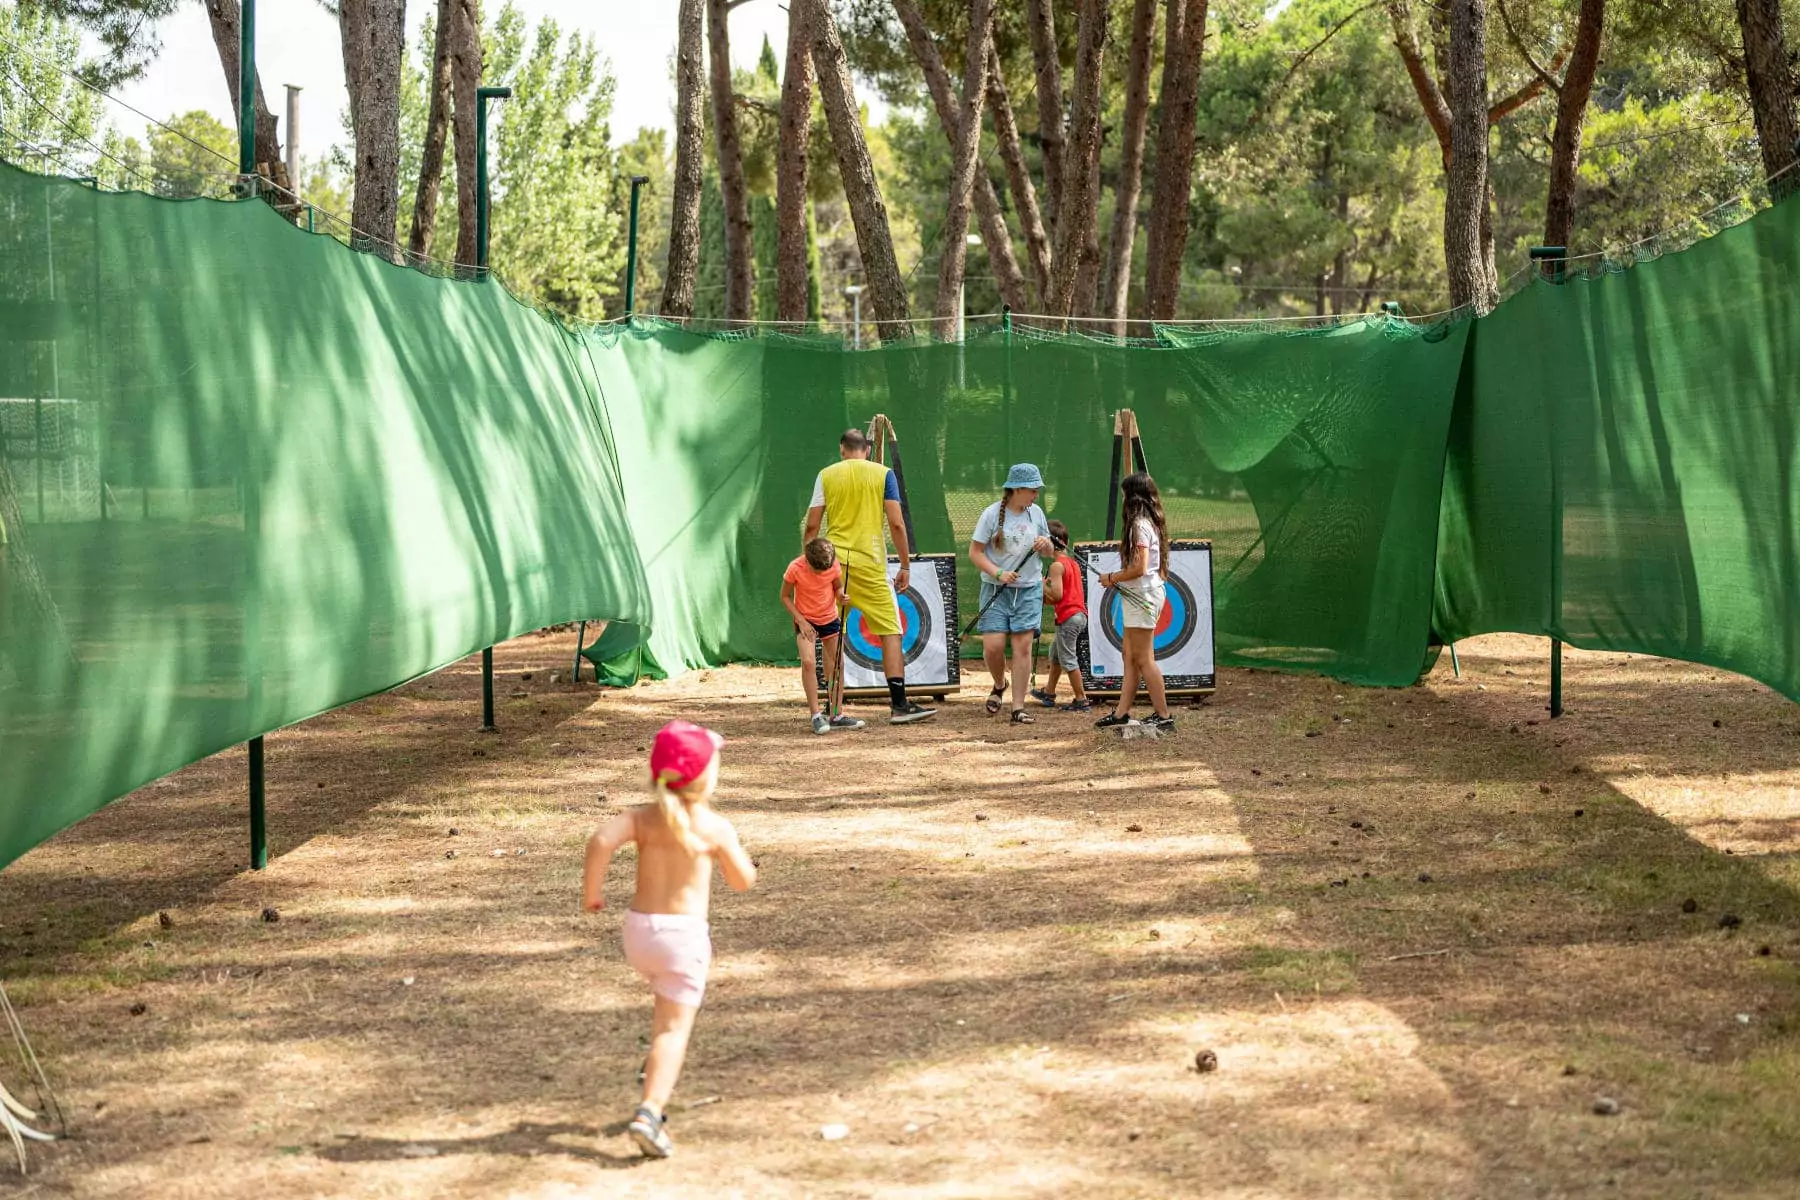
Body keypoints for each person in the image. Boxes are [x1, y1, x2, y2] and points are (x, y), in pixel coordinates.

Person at [582, 720, 757, 1159]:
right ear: (706, 776)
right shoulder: (713, 826)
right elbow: (742, 882)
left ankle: (655, 1069)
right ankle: (649, 1111)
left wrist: (593, 894)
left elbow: (601, 840)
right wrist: (730, 857)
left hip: (639, 935)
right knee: (672, 1031)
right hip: (683, 939)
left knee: (663, 1004)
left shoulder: (643, 818)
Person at [803, 428, 936, 724]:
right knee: (890, 630)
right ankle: (899, 704)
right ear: (865, 449)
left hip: (832, 565)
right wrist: (905, 565)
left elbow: (812, 526)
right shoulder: (884, 474)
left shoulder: (826, 475)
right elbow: (897, 523)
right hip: (871, 565)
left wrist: (811, 564)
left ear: (842, 449)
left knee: (829, 632)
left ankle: (833, 709)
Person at [968, 463, 1054, 724]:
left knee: (1023, 647)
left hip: (1028, 590)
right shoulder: (992, 514)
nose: (1036, 496)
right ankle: (998, 683)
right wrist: (998, 573)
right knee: (993, 647)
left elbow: (1050, 551)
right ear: (1016, 489)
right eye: (1032, 490)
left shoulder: (1036, 513)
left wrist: (1045, 544)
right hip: (996, 589)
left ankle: (1018, 707)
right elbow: (975, 552)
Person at [1094, 472, 1175, 731]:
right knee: (1129, 655)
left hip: (1143, 596)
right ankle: (1121, 713)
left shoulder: (1139, 525)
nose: (1122, 497)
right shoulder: (1145, 522)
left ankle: (1164, 717)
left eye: (1124, 492)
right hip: (1140, 595)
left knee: (1142, 658)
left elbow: (1139, 568)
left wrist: (1111, 578)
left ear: (1132, 495)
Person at [780, 537, 865, 735]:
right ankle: (816, 716)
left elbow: (837, 587)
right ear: (807, 561)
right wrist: (801, 620)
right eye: (818, 570)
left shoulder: (832, 565)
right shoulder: (795, 568)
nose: (822, 573)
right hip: (806, 621)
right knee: (808, 662)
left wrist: (841, 596)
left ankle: (836, 714)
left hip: (829, 618)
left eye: (825, 570)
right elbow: (784, 596)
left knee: (837, 664)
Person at [1031, 519, 1093, 712]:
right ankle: (1049, 692)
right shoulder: (1072, 563)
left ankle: (1081, 700)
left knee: (1068, 659)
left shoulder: (1057, 566)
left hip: (1069, 618)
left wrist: (1042, 584)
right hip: (1077, 614)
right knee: (1055, 654)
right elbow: (1060, 597)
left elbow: (1057, 595)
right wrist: (1044, 597)